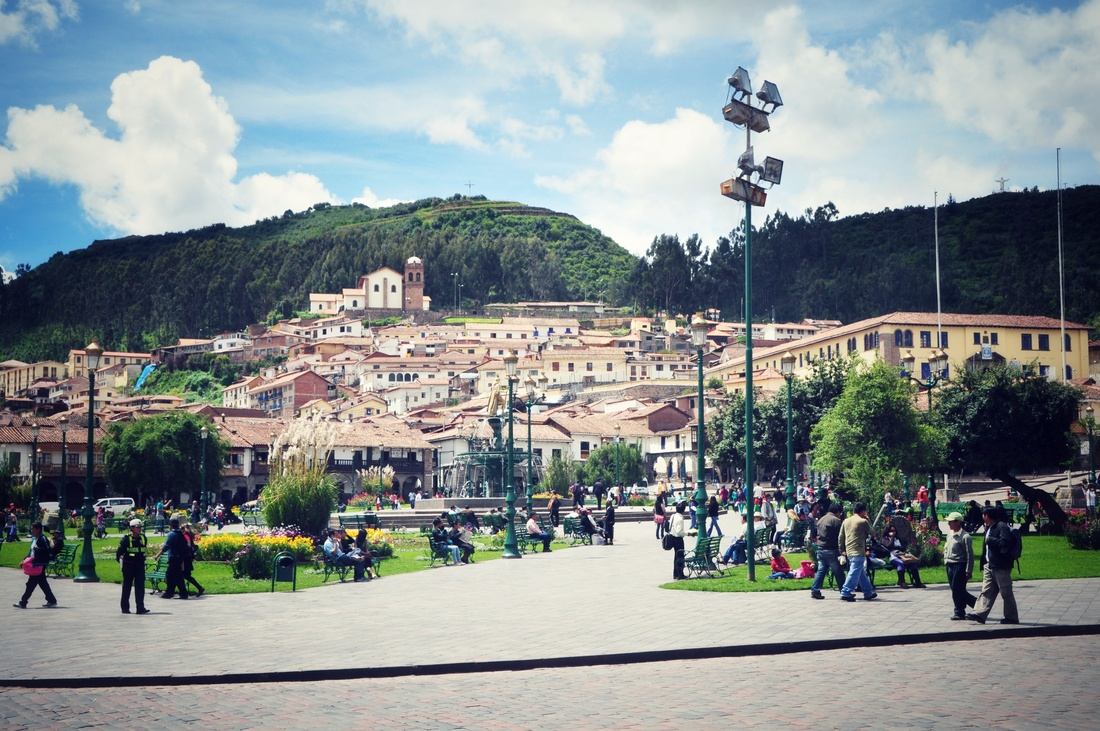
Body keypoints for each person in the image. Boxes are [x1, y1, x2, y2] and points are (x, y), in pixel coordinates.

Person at [967, 507, 1020, 625]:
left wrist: (990, 540)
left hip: (1001, 565)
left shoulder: (1002, 527)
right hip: (989, 564)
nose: (982, 517)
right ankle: (979, 614)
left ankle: (1011, 617)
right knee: (986, 590)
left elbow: (1005, 543)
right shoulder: (989, 527)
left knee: (1005, 592)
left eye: (984, 515)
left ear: (988, 516)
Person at [837, 502, 877, 602]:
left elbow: (841, 537)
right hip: (859, 550)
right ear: (863, 511)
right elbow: (873, 533)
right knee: (854, 572)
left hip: (849, 550)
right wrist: (868, 520)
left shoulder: (846, 521)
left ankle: (868, 592)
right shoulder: (863, 521)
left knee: (860, 573)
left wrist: (842, 549)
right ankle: (846, 592)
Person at [13, 522, 57, 609]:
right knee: (42, 583)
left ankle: (23, 602)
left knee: (31, 584)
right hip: (34, 564)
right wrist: (24, 560)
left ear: (38, 529)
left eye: (33, 529)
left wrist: (39, 553)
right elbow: (31, 552)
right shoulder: (35, 539)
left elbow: (47, 550)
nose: (31, 530)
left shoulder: (42, 539)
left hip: (39, 564)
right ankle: (52, 600)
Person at [944, 511, 976, 620]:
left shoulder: (965, 537)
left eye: (951, 522)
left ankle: (960, 611)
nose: (949, 524)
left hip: (960, 565)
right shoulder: (949, 534)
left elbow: (969, 555)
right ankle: (974, 607)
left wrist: (968, 570)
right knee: (956, 589)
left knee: (958, 590)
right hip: (949, 565)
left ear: (958, 522)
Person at [810, 503, 845, 599]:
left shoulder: (821, 519)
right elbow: (840, 536)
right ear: (837, 511)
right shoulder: (836, 521)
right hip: (831, 549)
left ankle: (815, 589)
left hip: (820, 548)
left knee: (821, 570)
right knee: (838, 571)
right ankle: (844, 591)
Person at [116, 518, 150, 614]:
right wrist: (122, 563)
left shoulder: (143, 538)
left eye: (140, 527)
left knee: (140, 587)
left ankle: (140, 608)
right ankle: (125, 608)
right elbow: (119, 553)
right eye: (137, 527)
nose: (139, 529)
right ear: (132, 528)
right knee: (127, 587)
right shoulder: (126, 539)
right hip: (128, 566)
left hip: (139, 566)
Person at [878, 525, 925, 589]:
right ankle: (902, 582)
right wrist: (892, 537)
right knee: (900, 563)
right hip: (892, 556)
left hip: (902, 554)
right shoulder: (885, 539)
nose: (893, 532)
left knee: (913, 564)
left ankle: (918, 582)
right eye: (891, 531)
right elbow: (888, 546)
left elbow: (903, 547)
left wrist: (903, 550)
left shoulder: (898, 538)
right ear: (887, 531)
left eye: (894, 531)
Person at [155, 518, 190, 598]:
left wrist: (157, 555)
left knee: (170, 575)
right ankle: (182, 593)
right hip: (180, 558)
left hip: (173, 558)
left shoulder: (172, 534)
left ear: (170, 525)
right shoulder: (180, 534)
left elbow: (166, 547)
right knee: (178, 576)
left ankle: (170, 593)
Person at [180, 523, 206, 597]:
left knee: (186, 575)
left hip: (186, 559)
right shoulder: (187, 535)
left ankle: (199, 588)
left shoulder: (186, 536)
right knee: (185, 575)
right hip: (188, 558)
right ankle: (184, 591)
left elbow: (187, 547)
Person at [669, 502, 687, 580]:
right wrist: (687, 533)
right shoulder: (680, 518)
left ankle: (675, 573)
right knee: (680, 557)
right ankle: (680, 574)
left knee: (676, 556)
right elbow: (679, 532)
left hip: (673, 537)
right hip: (678, 539)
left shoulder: (673, 516)